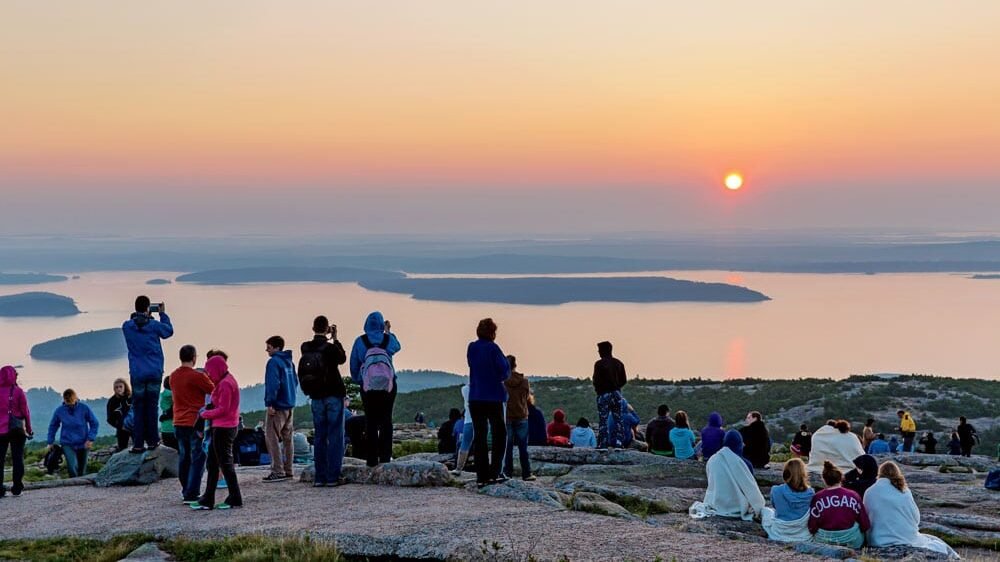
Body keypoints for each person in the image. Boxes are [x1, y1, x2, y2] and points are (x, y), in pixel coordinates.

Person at [864, 461, 958, 557]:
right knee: (935, 541)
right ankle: (956, 557)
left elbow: (865, 517)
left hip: (876, 539)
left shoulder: (870, 492)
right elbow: (916, 518)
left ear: (880, 473)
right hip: (904, 538)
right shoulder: (904, 491)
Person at [300, 315, 349, 486]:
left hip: (315, 396)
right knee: (335, 435)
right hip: (333, 394)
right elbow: (342, 358)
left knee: (320, 436)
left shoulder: (305, 347)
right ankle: (333, 477)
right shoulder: (329, 349)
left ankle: (319, 477)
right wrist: (335, 339)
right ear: (327, 328)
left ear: (313, 328)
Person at [122, 296, 174, 453]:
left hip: (137, 373)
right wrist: (162, 314)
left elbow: (133, 322)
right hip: (154, 372)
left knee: (138, 408)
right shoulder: (153, 326)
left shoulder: (127, 326)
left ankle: (138, 444)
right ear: (147, 308)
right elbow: (168, 331)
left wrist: (140, 315)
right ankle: (152, 441)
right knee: (151, 407)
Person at [350, 311, 402, 467]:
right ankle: (386, 456)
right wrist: (388, 331)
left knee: (371, 421)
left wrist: (360, 380)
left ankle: (371, 458)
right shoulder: (387, 340)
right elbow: (398, 346)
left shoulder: (361, 341)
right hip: (388, 385)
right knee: (387, 420)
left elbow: (354, 365)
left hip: (368, 387)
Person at [193, 356, 242, 510]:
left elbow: (224, 409)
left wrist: (204, 414)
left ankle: (234, 497)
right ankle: (208, 498)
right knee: (213, 463)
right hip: (225, 426)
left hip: (224, 428)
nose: (209, 375)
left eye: (210, 372)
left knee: (225, 464)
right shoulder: (225, 379)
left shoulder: (226, 384)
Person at [467, 318, 510, 487]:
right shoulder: (493, 348)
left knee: (480, 436)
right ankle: (495, 471)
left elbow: (471, 364)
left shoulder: (472, 347)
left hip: (475, 396)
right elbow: (504, 371)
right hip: (493, 397)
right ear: (493, 332)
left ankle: (481, 475)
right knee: (500, 434)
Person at [170, 345, 214, 503]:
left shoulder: (173, 376)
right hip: (195, 421)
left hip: (178, 421)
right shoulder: (197, 376)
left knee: (184, 457)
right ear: (194, 357)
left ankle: (185, 490)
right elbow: (213, 390)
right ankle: (192, 492)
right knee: (198, 457)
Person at [689, 430, 764, 521]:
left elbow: (712, 484)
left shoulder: (712, 460)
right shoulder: (744, 463)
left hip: (716, 503)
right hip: (738, 507)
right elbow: (750, 488)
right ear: (740, 444)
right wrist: (758, 506)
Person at [808, 461, 870, 549]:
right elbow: (865, 523)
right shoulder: (853, 495)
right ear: (841, 478)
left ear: (824, 479)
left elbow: (812, 526)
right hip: (851, 541)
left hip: (825, 540)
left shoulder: (817, 497)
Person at [262, 335, 298, 482]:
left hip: (277, 406)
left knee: (271, 437)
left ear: (276, 347)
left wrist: (270, 403)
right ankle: (288, 469)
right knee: (288, 439)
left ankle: (277, 470)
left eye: (269, 347)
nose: (266, 350)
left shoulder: (273, 362)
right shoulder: (289, 362)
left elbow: (273, 384)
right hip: (290, 405)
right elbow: (295, 382)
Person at [46, 389, 99, 478]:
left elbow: (94, 423)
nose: (69, 403)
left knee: (82, 469)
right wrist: (50, 441)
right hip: (67, 443)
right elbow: (53, 426)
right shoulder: (60, 411)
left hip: (84, 442)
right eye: (67, 401)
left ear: (75, 398)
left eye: (71, 401)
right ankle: (73, 488)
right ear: (64, 400)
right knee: (72, 466)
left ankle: (82, 488)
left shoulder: (84, 408)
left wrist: (90, 439)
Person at [762, 458, 815, 543]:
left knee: (766, 511)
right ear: (804, 474)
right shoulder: (810, 493)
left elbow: (775, 507)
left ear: (785, 473)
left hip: (779, 533)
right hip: (802, 535)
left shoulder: (776, 490)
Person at [0, 365, 32, 498]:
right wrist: (29, 429)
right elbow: (26, 412)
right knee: (17, 459)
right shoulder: (18, 391)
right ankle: (17, 487)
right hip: (16, 430)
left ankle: (0, 489)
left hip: (0, 432)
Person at [503, 355, 534, 481]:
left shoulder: (502, 382)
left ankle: (507, 472)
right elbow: (527, 398)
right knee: (523, 447)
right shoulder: (525, 381)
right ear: (515, 365)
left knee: (508, 447)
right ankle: (526, 473)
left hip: (507, 416)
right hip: (522, 415)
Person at [592, 341, 627, 448]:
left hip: (603, 394)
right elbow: (624, 380)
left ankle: (603, 443)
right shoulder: (619, 363)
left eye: (599, 350)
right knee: (618, 418)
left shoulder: (599, 364)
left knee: (603, 419)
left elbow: (596, 380)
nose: (598, 352)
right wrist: (617, 388)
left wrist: (599, 391)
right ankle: (619, 442)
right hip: (616, 393)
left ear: (603, 350)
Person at [452, 384, 475, 474]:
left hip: (469, 419)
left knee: (465, 444)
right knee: (481, 443)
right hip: (482, 419)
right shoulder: (484, 387)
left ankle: (459, 468)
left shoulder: (465, 389)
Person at [106, 378, 132, 452]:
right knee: (122, 450)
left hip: (134, 426)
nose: (119, 389)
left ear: (125, 387)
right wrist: (120, 426)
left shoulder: (131, 397)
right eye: (116, 387)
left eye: (120, 386)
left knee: (138, 448)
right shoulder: (112, 401)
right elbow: (110, 419)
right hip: (122, 430)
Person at [159, 375, 177, 450]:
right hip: (173, 429)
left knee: (170, 452)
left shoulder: (162, 395)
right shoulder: (172, 395)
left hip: (164, 429)